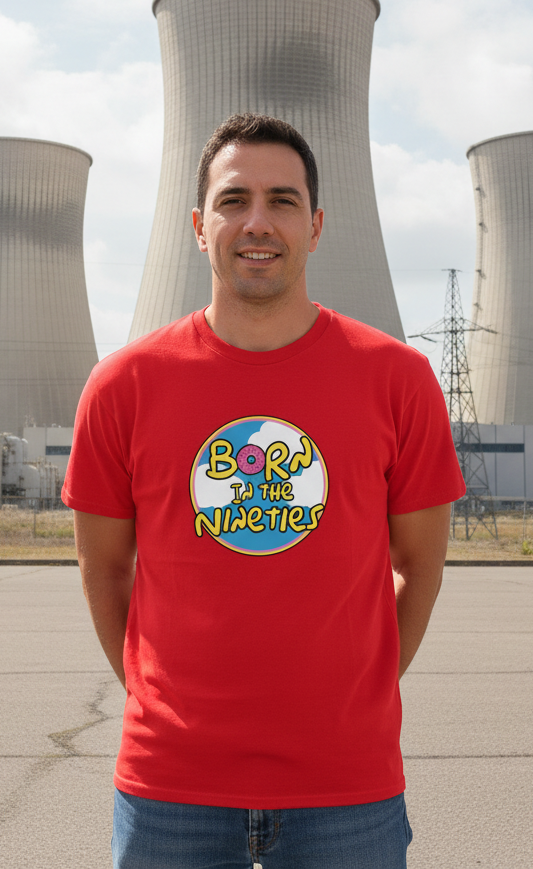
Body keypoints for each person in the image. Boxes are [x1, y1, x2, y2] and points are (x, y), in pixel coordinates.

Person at [63, 113, 465, 869]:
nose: (257, 222)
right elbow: (105, 571)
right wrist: (165, 705)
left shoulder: (396, 380)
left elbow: (420, 565)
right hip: (171, 789)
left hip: (347, 789)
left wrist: (355, 694)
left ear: (315, 226)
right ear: (196, 224)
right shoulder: (124, 384)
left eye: (282, 201)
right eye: (233, 200)